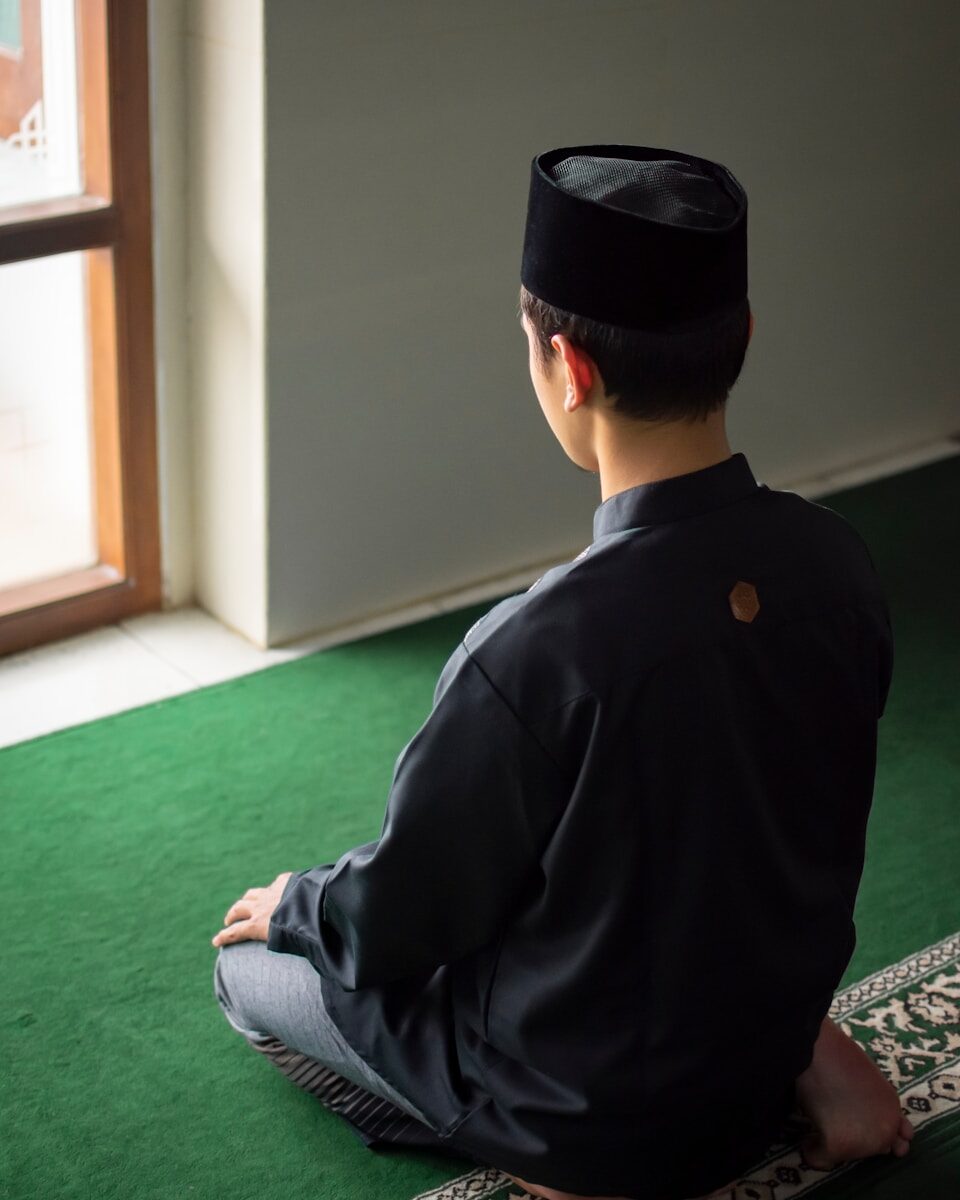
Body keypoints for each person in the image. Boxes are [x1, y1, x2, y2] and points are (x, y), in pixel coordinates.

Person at [210, 144, 915, 1200]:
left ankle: (564, 1166)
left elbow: (404, 919)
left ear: (568, 368)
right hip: (748, 1037)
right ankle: (796, 1055)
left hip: (590, 1106)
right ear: (745, 338)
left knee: (246, 970)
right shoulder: (838, 564)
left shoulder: (534, 649)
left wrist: (302, 903)